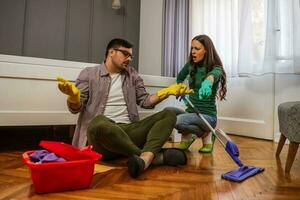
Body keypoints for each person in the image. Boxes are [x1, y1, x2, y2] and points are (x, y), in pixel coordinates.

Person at [57, 38, 193, 178]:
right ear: (111, 52)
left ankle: (144, 160)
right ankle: (151, 156)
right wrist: (74, 98)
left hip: (129, 133)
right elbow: (76, 108)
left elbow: (145, 101)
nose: (129, 59)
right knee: (99, 122)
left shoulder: (132, 75)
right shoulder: (89, 73)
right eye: (125, 54)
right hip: (101, 138)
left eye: (131, 56)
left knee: (169, 114)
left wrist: (166, 92)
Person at [170, 34, 227, 153]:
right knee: (168, 112)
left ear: (206, 50)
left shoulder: (215, 68)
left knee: (178, 121)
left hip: (207, 117)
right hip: (191, 112)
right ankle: (193, 136)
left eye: (197, 48)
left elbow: (214, 75)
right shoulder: (190, 65)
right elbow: (180, 77)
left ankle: (207, 133)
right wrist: (181, 88)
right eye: (192, 48)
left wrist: (208, 81)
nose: (193, 52)